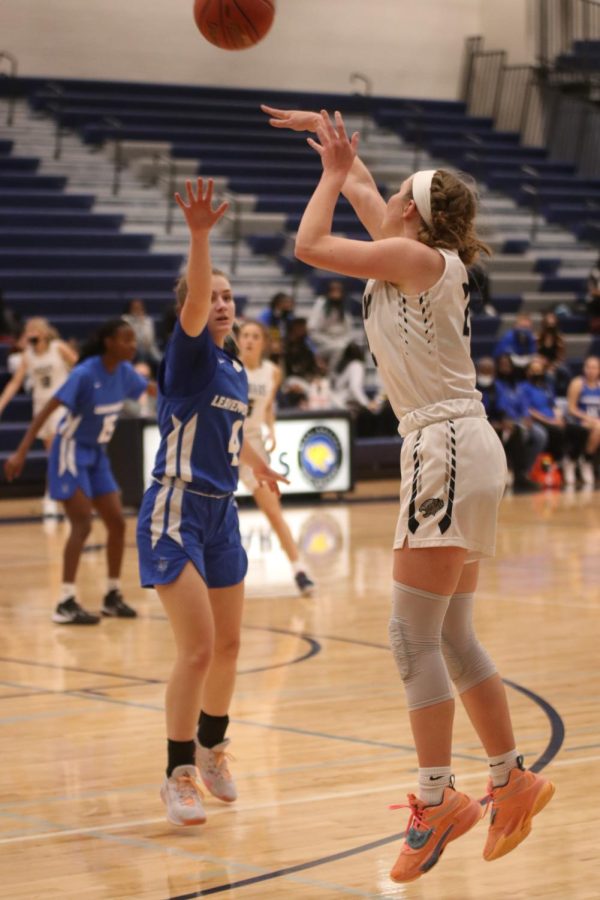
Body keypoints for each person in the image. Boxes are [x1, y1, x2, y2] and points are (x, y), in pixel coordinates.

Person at [262, 104, 555, 882]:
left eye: (397, 195)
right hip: (456, 445)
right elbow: (357, 186)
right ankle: (511, 777)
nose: (382, 194)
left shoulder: (419, 263)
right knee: (451, 637)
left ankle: (438, 802)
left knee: (411, 639)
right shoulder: (416, 253)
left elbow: (310, 244)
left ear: (413, 217)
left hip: (447, 447)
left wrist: (331, 175)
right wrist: (327, 140)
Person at [135, 178, 286, 828]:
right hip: (175, 510)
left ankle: (214, 746)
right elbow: (195, 297)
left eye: (229, 296)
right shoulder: (190, 354)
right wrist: (200, 237)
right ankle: (179, 774)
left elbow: (228, 436)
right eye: (212, 296)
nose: (222, 303)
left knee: (229, 647)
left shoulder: (234, 370)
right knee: (195, 651)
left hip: (222, 511)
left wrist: (258, 465)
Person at [4, 318, 150, 624]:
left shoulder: (124, 373)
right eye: (126, 340)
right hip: (69, 450)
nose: (133, 346)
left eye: (134, 340)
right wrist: (20, 451)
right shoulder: (84, 374)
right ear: (109, 342)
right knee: (82, 523)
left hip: (97, 454)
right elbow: (47, 410)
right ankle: (65, 601)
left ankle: (112, 595)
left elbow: (150, 388)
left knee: (117, 524)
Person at [237, 319, 315, 596]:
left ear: (263, 343)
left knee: (273, 511)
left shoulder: (272, 372)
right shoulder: (230, 369)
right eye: (244, 335)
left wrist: (271, 428)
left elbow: (267, 405)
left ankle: (299, 569)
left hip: (253, 446)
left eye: (254, 336)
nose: (248, 340)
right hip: (223, 444)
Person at [0, 317, 78, 515]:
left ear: (43, 332)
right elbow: (15, 383)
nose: (30, 333)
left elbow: (80, 368)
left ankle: (57, 494)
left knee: (58, 448)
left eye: (33, 330)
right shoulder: (28, 355)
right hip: (41, 408)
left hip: (61, 405)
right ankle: (57, 493)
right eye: (28, 330)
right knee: (53, 453)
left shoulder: (58, 347)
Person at [476, 356, 542, 493]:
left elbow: (503, 408)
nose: (486, 375)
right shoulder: (472, 388)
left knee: (516, 432)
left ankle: (519, 476)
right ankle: (485, 478)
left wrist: (506, 422)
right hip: (478, 426)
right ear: (478, 372)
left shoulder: (497, 388)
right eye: (484, 371)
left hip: (497, 426)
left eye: (489, 371)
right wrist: (488, 424)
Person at [519, 356, 586, 486]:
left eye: (539, 370)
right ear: (528, 372)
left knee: (579, 431)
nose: (537, 373)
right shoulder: (523, 387)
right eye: (533, 370)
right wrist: (549, 421)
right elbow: (529, 410)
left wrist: (559, 418)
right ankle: (556, 462)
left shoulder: (546, 386)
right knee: (557, 433)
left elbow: (554, 406)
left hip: (553, 420)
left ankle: (570, 461)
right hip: (538, 421)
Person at [565, 355, 600, 486]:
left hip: (596, 423)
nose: (591, 370)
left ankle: (586, 460)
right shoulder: (578, 383)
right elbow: (571, 408)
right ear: (584, 368)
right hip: (578, 421)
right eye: (588, 367)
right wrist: (587, 418)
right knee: (597, 428)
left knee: (598, 428)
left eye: (594, 367)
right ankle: (584, 460)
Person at [307, 278, 353, 369]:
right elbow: (312, 329)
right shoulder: (321, 303)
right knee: (339, 347)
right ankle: (330, 374)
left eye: (339, 290)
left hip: (340, 341)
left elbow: (348, 331)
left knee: (350, 350)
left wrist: (344, 341)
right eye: (333, 290)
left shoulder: (343, 306)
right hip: (322, 343)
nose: (336, 293)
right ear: (328, 291)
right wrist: (329, 341)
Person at [536, 310, 570, 396]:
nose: (551, 322)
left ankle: (565, 394)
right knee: (549, 375)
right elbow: (535, 353)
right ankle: (551, 396)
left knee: (565, 371)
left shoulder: (559, 338)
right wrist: (545, 364)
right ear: (545, 322)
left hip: (555, 363)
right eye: (549, 320)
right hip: (541, 363)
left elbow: (561, 356)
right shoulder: (538, 337)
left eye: (553, 320)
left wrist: (554, 365)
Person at [123, 297, 162, 370]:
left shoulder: (148, 321)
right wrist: (137, 322)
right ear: (130, 308)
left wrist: (141, 322)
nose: (138, 310)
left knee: (162, 361)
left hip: (149, 350)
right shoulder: (125, 320)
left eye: (139, 307)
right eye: (135, 308)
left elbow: (149, 340)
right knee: (140, 351)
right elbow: (134, 338)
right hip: (131, 350)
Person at [257, 291, 295, 363]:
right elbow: (261, 330)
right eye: (286, 302)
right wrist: (272, 342)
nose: (289, 305)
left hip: (284, 344)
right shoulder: (266, 315)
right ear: (278, 303)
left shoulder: (288, 316)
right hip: (268, 344)